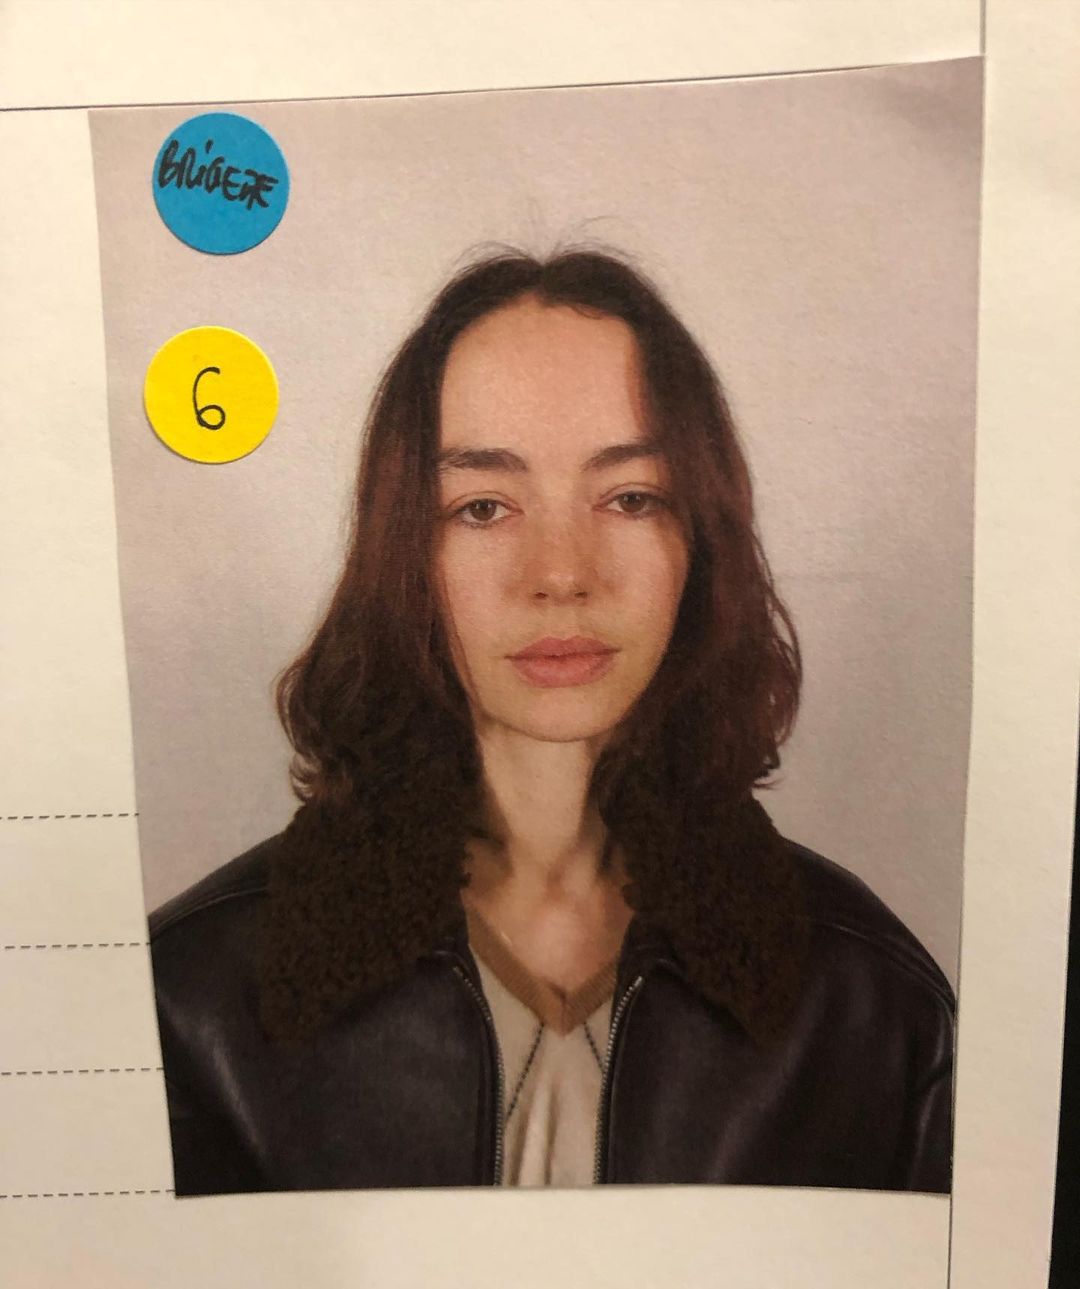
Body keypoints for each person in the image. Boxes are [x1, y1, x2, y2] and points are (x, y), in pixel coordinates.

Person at [150, 249, 956, 1196]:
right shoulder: (189, 996)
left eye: (630, 498)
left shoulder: (873, 1000)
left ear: (701, 541)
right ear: (404, 552)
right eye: (483, 507)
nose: (562, 573)